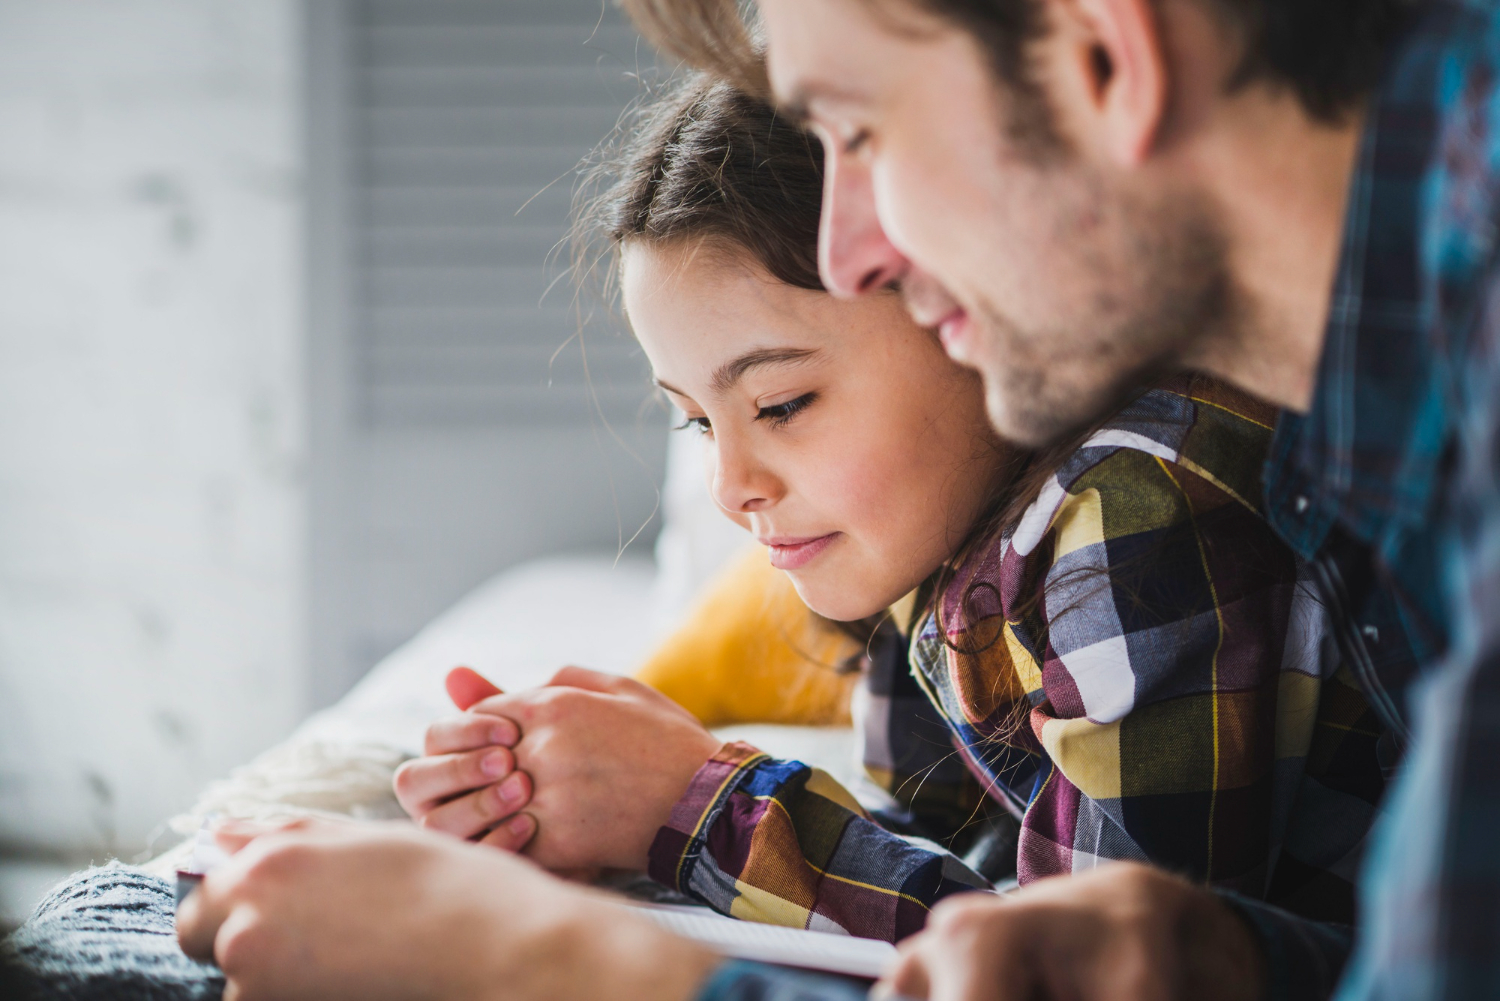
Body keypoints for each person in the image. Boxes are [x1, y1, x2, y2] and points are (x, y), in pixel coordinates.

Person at [174, 66, 1388, 1001]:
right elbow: (960, 864)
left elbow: (1046, 958)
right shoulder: (936, 561)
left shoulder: (1134, 513)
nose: (732, 484)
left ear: (954, 304)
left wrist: (698, 804)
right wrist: (632, 786)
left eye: (783, 403)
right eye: (699, 421)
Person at [613, 0, 1500, 999]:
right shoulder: (1383, 417)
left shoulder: (1147, 493)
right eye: (698, 422)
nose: (862, 253)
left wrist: (559, 952)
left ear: (1103, 56)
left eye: (861, 135)